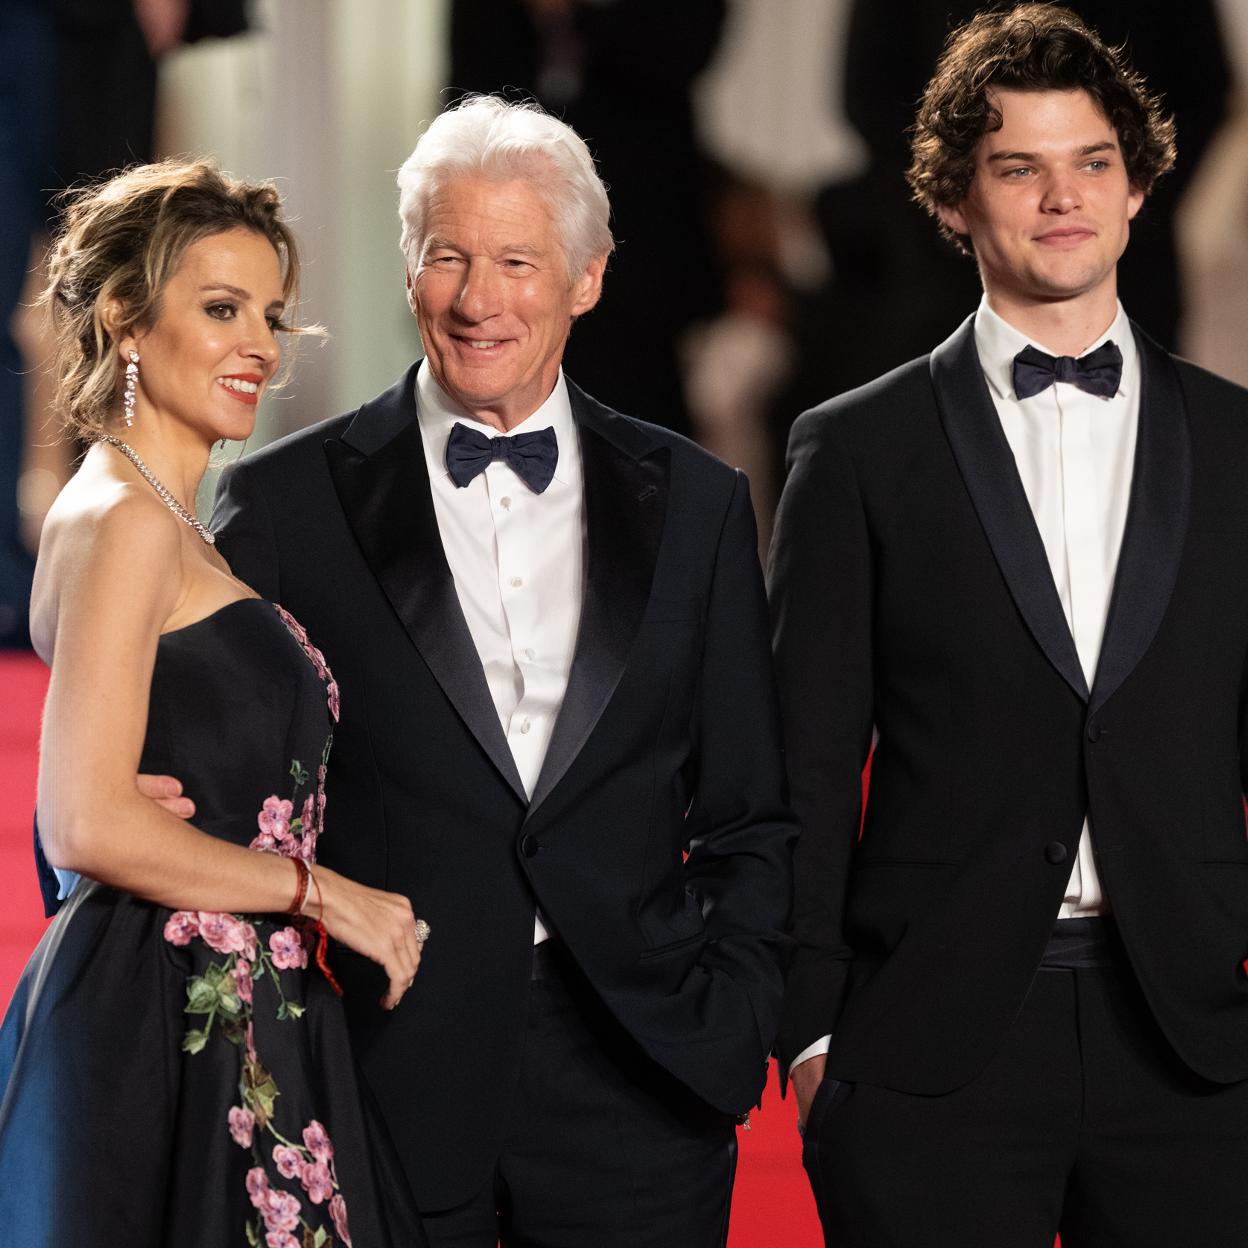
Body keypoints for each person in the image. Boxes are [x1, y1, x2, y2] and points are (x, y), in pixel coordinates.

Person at [204, 95, 795, 1245]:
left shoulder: (698, 505)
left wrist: (731, 1014)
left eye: (519, 260)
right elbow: (228, 798)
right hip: (383, 1069)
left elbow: (751, 809)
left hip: (644, 1072)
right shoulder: (283, 507)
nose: (480, 301)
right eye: (448, 258)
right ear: (407, 269)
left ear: (588, 277)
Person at [770, 6, 1248, 1246]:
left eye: (1092, 162)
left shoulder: (1241, 444)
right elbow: (805, 765)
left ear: (1140, 187)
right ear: (951, 200)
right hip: (931, 1047)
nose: (1062, 198)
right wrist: (812, 1036)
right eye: (1018, 168)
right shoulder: (856, 449)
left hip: (1193, 1044)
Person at [1, 160, 429, 1248]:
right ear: (127, 324)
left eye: (271, 315)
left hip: (216, 1003)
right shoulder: (127, 522)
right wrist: (325, 894)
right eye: (221, 309)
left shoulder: (149, 517)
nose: (262, 348)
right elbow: (85, 822)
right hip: (175, 1023)